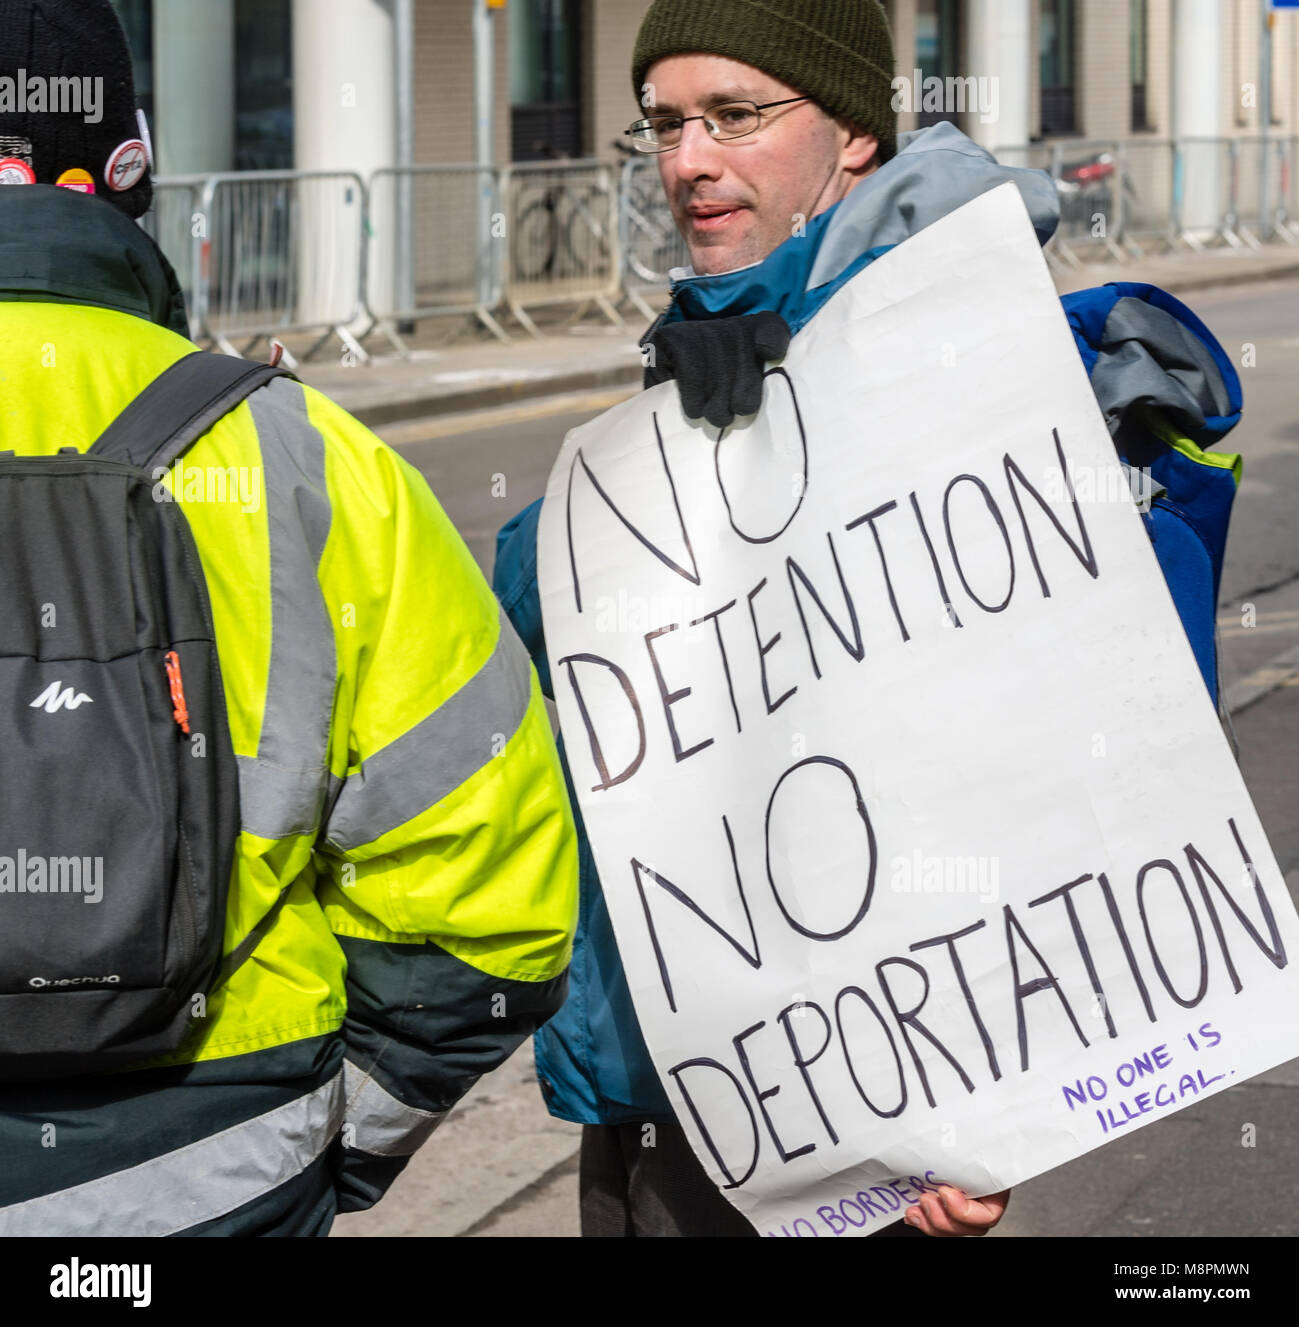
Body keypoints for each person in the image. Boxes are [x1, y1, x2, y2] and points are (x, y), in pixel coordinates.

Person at [493, 0, 1242, 1238]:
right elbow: (554, 628)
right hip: (661, 1076)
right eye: (665, 124)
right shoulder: (725, 331)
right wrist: (654, 457)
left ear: (851, 133)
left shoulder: (972, 360)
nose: (687, 161)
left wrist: (1001, 1108)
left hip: (858, 1116)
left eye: (735, 115)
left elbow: (1097, 748)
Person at [0, 0, 577, 1236]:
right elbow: (492, 899)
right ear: (130, 168)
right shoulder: (308, 459)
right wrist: (326, 1136)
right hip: (213, 1176)